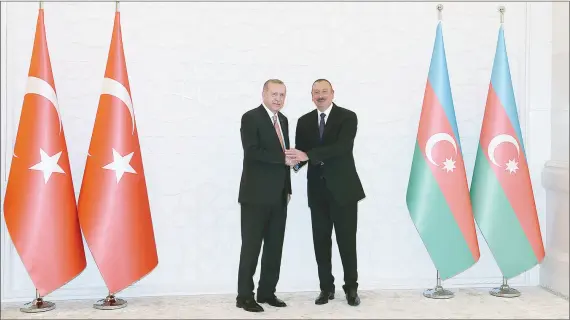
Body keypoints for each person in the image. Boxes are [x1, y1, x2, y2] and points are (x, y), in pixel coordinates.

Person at [286, 79, 365, 306]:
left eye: (324, 91)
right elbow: (301, 154)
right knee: (321, 242)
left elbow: (342, 148)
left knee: (347, 242)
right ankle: (325, 288)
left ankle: (351, 288)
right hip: (317, 192)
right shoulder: (304, 121)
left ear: (332, 93)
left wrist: (307, 156)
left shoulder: (348, 117)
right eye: (316, 92)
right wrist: (290, 161)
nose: (320, 95)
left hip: (344, 191)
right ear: (311, 96)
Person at [236, 79, 297, 312]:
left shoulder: (283, 120)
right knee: (251, 247)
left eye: (282, 95)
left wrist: (288, 187)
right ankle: (244, 296)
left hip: (280, 195)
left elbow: (286, 157)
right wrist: (282, 159)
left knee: (274, 246)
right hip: (255, 196)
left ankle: (267, 292)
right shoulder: (251, 118)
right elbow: (252, 152)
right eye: (274, 94)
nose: (278, 99)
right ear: (263, 93)